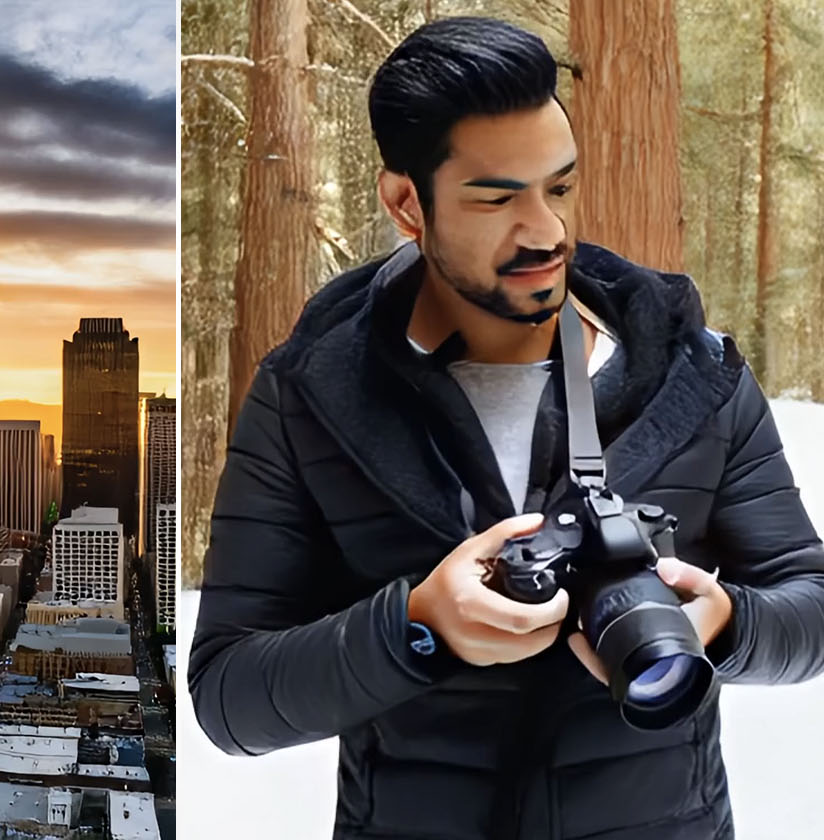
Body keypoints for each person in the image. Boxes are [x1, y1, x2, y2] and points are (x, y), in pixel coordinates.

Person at [188, 15, 824, 840]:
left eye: (559, 187)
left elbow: (810, 606)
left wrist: (725, 621)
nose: (547, 230)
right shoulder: (308, 397)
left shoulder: (693, 374)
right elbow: (227, 694)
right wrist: (416, 626)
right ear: (406, 203)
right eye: (498, 198)